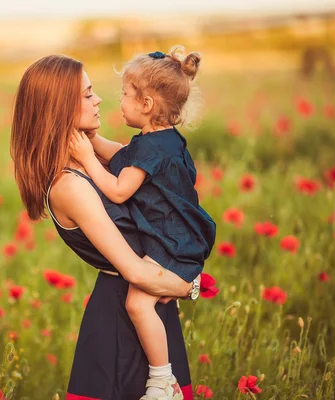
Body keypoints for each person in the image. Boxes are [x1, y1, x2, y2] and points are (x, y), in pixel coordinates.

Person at [10, 54, 197, 400]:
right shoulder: (70, 187)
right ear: (59, 108)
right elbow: (134, 271)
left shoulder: (88, 161)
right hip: (122, 322)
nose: (98, 100)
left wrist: (90, 141)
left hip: (150, 306)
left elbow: (143, 165)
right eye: (87, 94)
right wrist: (190, 286)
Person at [69, 46, 216, 399]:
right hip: (179, 237)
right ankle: (162, 376)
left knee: (138, 303)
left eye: (124, 94)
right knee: (142, 303)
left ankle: (162, 380)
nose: (115, 100)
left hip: (172, 243)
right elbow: (121, 154)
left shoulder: (151, 149)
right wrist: (90, 140)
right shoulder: (161, 141)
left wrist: (87, 159)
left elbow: (119, 190)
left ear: (146, 104)